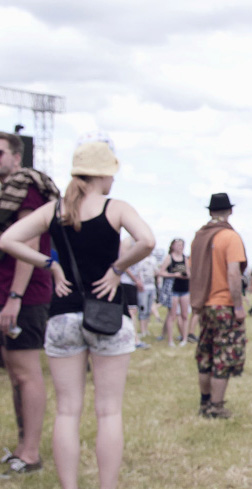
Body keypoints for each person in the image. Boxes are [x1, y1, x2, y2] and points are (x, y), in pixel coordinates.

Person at [0, 136, 155, 489]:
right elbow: (146, 240)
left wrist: (49, 265)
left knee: (67, 410)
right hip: (109, 317)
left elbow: (7, 239)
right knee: (108, 411)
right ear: (104, 174)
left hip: (62, 316)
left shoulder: (54, 210)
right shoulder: (115, 207)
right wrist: (116, 271)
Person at [0, 131, 59, 476]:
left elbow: (30, 242)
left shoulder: (27, 187)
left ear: (16, 155)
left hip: (23, 295)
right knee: (15, 373)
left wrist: (15, 298)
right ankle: (23, 446)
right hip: (9, 294)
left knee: (25, 372)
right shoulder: (7, 194)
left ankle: (32, 452)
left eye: (0, 153)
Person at [189, 193, 247, 419]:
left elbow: (193, 271)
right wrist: (239, 306)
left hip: (204, 304)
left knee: (206, 353)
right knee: (224, 356)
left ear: (210, 211)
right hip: (224, 304)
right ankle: (216, 406)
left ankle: (204, 402)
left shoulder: (199, 238)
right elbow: (233, 274)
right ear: (229, 211)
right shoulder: (229, 237)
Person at [157, 239, 191, 345]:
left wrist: (185, 275)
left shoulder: (185, 258)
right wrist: (173, 275)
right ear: (173, 246)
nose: (180, 247)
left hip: (184, 289)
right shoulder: (169, 258)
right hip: (173, 290)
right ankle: (170, 340)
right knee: (172, 315)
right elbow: (161, 272)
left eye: (182, 245)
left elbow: (189, 273)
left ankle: (184, 338)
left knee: (185, 315)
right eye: (178, 245)